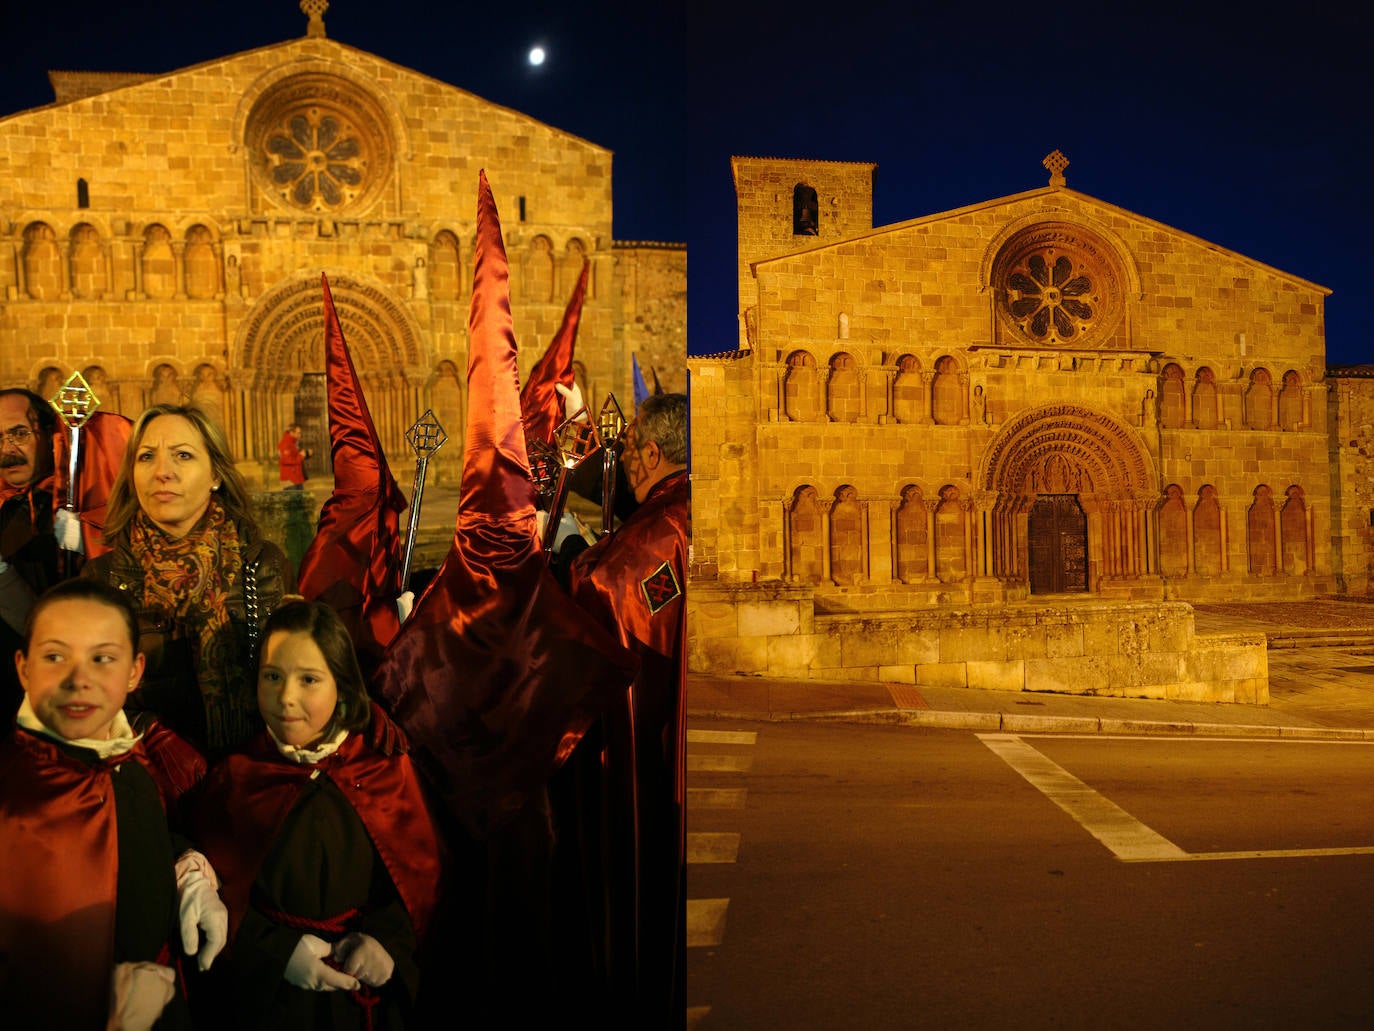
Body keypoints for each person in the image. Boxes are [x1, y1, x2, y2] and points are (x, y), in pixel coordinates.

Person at [190, 599, 441, 1030]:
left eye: (309, 679)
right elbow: (220, 901)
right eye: (272, 677)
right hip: (274, 1007)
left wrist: (387, 944)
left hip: (365, 1005)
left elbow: (417, 882)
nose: (286, 697)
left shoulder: (382, 769)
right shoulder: (237, 779)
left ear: (341, 686)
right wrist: (277, 953)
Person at [0, 578, 227, 1030]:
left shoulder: (128, 759)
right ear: (24, 668)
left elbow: (129, 833)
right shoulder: (12, 800)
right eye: (55, 656)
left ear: (134, 672)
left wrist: (185, 870)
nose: (79, 679)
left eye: (102, 658)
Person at [558, 391, 688, 1024]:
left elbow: (613, 599)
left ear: (651, 455)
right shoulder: (684, 512)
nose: (623, 457)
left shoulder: (653, 538)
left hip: (645, 761)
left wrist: (566, 563)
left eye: (629, 446)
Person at [83, 403, 294, 757]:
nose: (163, 472)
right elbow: (88, 699)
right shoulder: (102, 581)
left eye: (183, 455)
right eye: (146, 457)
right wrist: (152, 736)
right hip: (151, 777)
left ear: (216, 475)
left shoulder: (264, 565)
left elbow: (297, 671)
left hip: (252, 774)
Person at [0, 387, 83, 717]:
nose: (7, 449)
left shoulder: (78, 510)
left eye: (19, 433)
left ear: (49, 436)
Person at [277, 423, 312, 490]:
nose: (300, 435)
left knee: (300, 499)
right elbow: (286, 460)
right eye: (298, 433)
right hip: (290, 479)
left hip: (297, 477)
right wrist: (301, 455)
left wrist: (306, 454)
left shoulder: (293, 443)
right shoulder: (285, 444)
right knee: (293, 499)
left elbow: (296, 455)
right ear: (291, 432)